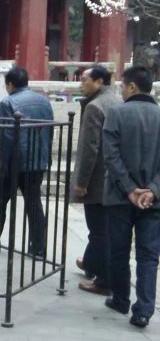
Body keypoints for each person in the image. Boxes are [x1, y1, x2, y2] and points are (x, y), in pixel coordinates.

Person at [102, 66, 160, 328]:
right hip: (153, 200)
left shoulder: (117, 113)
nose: (122, 91)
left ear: (133, 87)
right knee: (149, 255)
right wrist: (153, 190)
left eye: (123, 87)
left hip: (119, 196)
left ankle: (121, 299)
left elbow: (111, 156)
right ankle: (144, 310)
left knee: (119, 251)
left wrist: (129, 189)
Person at [0, 66, 53, 257]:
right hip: (37, 160)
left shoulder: (7, 102)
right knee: (34, 203)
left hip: (15, 162)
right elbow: (49, 132)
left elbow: (7, 137)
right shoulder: (44, 101)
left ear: (9, 84)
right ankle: (38, 247)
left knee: (0, 200)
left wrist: (3, 165)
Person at [72, 66, 119, 294]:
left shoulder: (94, 106)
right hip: (115, 176)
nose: (81, 84)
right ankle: (91, 262)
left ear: (99, 82)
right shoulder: (117, 100)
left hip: (98, 178)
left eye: (84, 80)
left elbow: (90, 149)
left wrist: (81, 182)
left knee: (98, 230)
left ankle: (103, 280)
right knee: (107, 229)